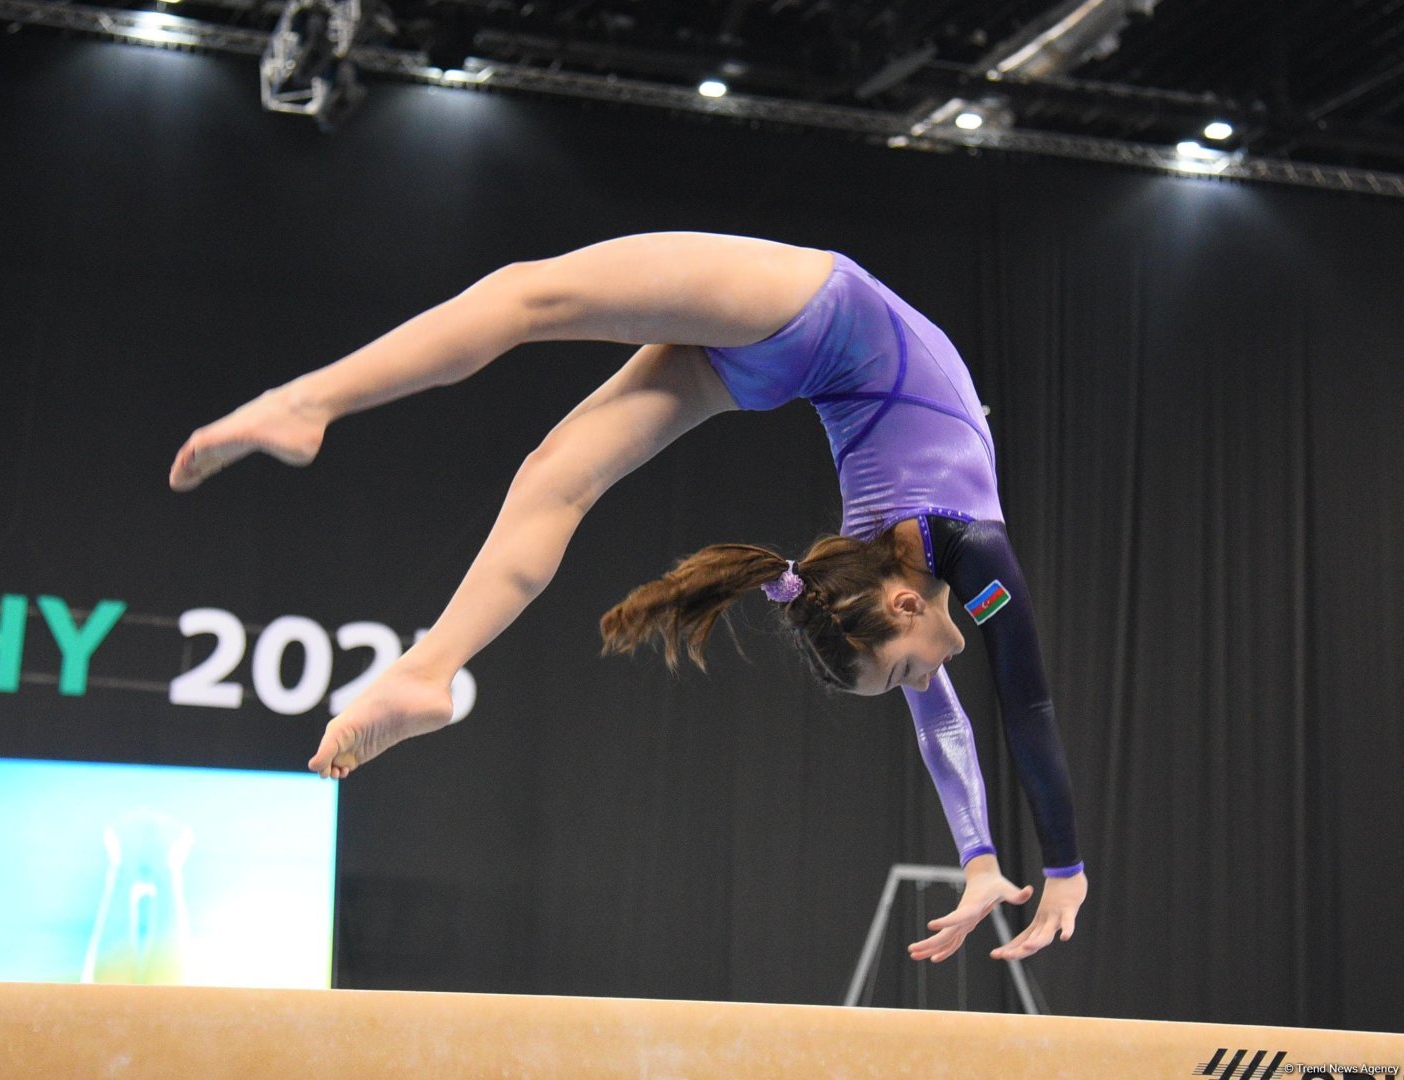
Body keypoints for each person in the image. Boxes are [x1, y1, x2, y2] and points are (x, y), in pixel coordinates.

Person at [169, 231, 1087, 964]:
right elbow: (1025, 705)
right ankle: (308, 404)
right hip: (816, 311)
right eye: (903, 678)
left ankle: (429, 667)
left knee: (554, 469)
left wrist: (977, 863)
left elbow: (951, 727)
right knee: (529, 301)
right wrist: (1061, 869)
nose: (924, 685)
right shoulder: (975, 553)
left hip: (797, 352)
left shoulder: (920, 576)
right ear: (901, 609)